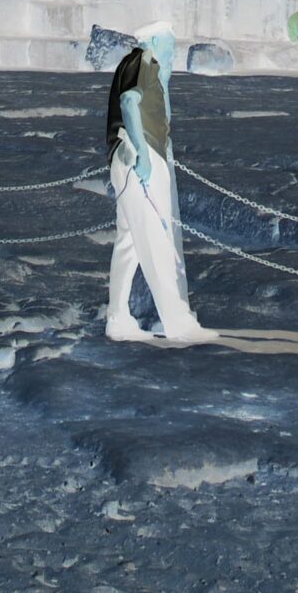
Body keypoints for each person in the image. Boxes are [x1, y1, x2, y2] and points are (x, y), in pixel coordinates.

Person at [105, 19, 215, 348]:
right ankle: (176, 321)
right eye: (170, 42)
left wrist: (165, 78)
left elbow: (162, 115)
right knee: (156, 239)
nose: (175, 48)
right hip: (139, 156)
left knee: (129, 244)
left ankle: (117, 318)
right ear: (153, 40)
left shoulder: (152, 68)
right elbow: (128, 102)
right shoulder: (142, 61)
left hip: (134, 155)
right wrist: (141, 152)